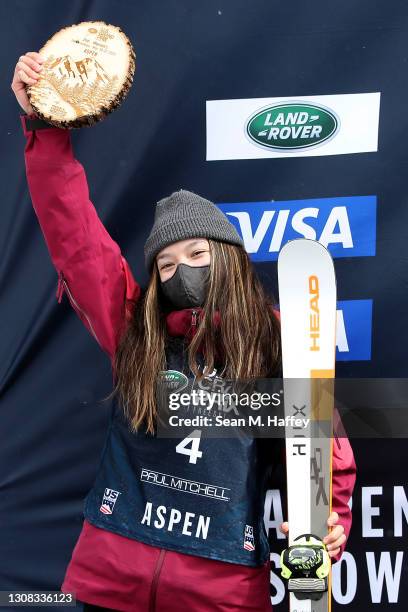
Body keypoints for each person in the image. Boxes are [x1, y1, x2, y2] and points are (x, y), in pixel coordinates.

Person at [12, 52, 356, 612]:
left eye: (197, 252)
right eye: (167, 265)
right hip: (111, 576)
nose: (182, 271)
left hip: (219, 589)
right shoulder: (136, 331)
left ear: (230, 261)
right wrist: (45, 128)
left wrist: (325, 527)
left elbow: (326, 457)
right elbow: (76, 238)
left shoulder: (275, 345)